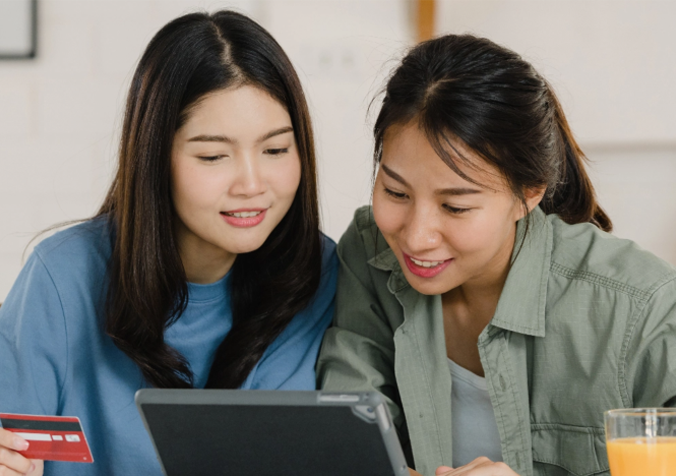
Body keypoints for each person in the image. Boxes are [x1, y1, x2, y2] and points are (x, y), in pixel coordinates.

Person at [318, 34, 676, 476]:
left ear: (528, 194)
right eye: (395, 191)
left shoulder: (641, 307)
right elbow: (345, 439)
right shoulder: (369, 251)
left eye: (456, 207)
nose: (416, 236)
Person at [0, 10, 337, 476]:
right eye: (214, 155)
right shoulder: (62, 278)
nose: (253, 184)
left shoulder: (318, 273)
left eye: (276, 150)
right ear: (155, 157)